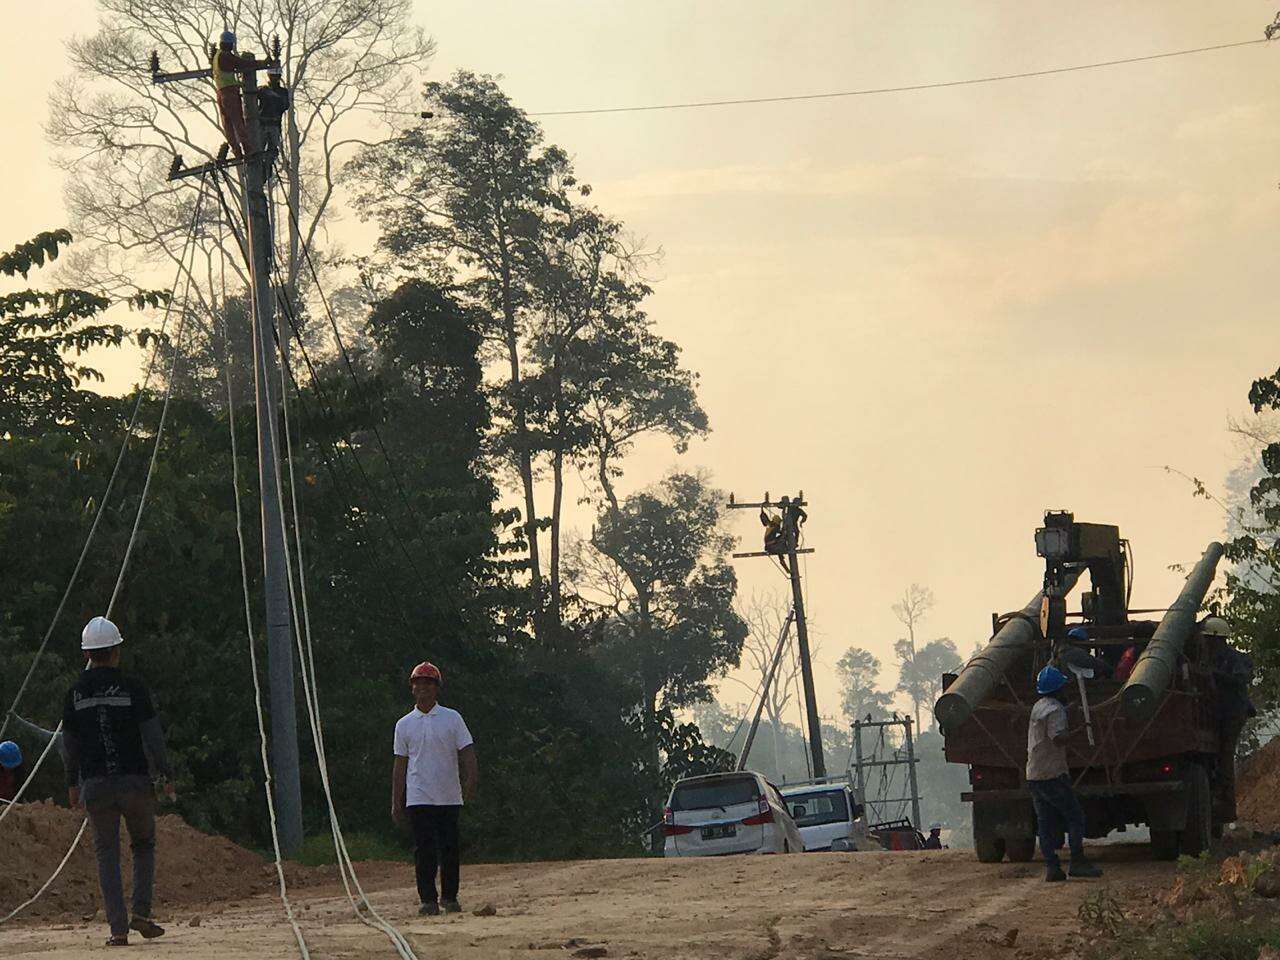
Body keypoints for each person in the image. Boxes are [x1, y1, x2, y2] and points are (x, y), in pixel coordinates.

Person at [63, 617, 176, 947]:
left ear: (87, 654)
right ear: (115, 651)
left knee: (106, 855)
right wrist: (165, 774)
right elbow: (153, 736)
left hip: (96, 786)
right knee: (143, 845)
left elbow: (69, 745)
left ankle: (118, 930)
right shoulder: (133, 687)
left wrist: (72, 784)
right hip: (135, 783)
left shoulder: (74, 693)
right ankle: (141, 912)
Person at [391, 661, 478, 917]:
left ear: (436, 688)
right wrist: (396, 801)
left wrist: (471, 780)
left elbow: (467, 752)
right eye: (418, 684)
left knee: (450, 848)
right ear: (412, 688)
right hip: (419, 796)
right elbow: (400, 764)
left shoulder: (452, 718)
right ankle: (428, 899)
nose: (423, 688)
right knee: (424, 849)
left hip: (449, 795)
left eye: (428, 684)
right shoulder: (404, 724)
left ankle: (450, 896)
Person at [1026, 665, 1102, 882]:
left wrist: (1068, 710)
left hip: (1034, 774)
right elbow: (1057, 738)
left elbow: (1049, 723)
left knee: (1045, 823)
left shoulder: (1039, 706)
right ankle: (1077, 862)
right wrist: (1079, 731)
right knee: (1075, 817)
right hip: (1053, 774)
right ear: (1059, 689)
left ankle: (1052, 868)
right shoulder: (1056, 710)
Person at [210, 30, 272, 159]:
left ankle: (237, 151)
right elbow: (242, 63)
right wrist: (261, 63)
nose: (232, 47)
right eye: (231, 44)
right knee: (238, 121)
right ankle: (247, 148)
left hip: (221, 93)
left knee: (228, 124)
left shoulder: (217, 56)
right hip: (229, 94)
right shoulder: (226, 56)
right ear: (228, 44)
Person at [257, 65, 290, 172]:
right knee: (258, 151)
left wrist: (272, 95)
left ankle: (267, 167)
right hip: (261, 125)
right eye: (272, 76)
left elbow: (285, 105)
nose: (274, 78)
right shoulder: (262, 90)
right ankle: (259, 169)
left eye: (276, 76)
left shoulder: (282, 92)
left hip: (274, 125)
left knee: (272, 150)